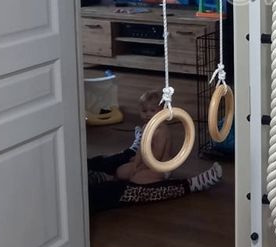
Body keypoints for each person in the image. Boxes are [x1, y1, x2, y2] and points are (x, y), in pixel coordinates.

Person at [87, 90, 222, 212]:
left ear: (162, 111)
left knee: (137, 179)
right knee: (120, 171)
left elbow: (156, 155)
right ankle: (110, 179)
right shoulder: (146, 127)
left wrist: (140, 168)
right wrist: (136, 165)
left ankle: (178, 183)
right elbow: (141, 150)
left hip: (159, 166)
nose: (148, 114)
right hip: (146, 163)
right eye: (144, 111)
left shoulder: (161, 131)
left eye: (152, 110)